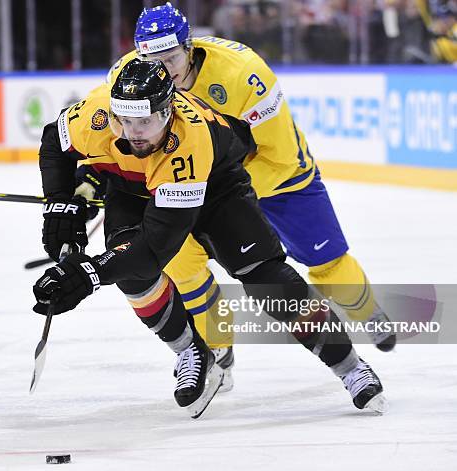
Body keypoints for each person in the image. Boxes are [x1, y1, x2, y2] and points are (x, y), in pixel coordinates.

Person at [32, 58, 386, 418]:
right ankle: (190, 350)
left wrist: (89, 273)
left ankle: (350, 367)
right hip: (134, 188)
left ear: (168, 110)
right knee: (132, 279)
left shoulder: (188, 142)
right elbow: (53, 142)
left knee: (268, 280)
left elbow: (155, 248)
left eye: (146, 121)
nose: (135, 132)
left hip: (216, 187)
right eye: (125, 120)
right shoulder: (95, 112)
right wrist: (60, 205)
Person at [74, 2, 397, 391]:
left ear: (189, 47)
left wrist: (197, 190)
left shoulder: (243, 74)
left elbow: (279, 156)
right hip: (201, 187)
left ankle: (366, 312)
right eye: (152, 58)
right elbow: (121, 149)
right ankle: (217, 350)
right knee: (181, 264)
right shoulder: (130, 80)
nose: (164, 68)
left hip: (278, 180)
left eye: (172, 57)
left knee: (326, 261)